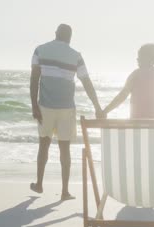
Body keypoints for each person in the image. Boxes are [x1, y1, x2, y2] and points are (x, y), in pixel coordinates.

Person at [29, 24, 104, 200]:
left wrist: (34, 105)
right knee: (65, 149)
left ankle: (39, 184)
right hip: (66, 108)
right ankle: (64, 191)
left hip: (45, 107)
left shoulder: (40, 50)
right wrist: (97, 106)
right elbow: (86, 82)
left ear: (55, 34)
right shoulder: (76, 56)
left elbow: (34, 79)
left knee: (44, 145)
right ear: (70, 37)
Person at [103, 43, 154, 118]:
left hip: (137, 123)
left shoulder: (135, 75)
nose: (137, 59)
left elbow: (122, 96)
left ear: (147, 58)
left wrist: (105, 111)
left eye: (140, 57)